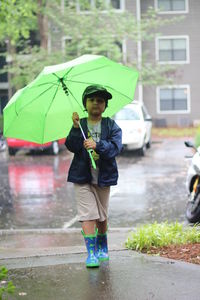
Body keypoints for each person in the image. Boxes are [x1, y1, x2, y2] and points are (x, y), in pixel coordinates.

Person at [65, 84, 122, 268]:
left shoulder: (110, 125)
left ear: (105, 105)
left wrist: (97, 145)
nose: (95, 103)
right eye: (91, 100)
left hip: (104, 176)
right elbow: (72, 146)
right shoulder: (80, 124)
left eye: (100, 100)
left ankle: (102, 244)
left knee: (102, 216)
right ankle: (91, 254)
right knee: (88, 214)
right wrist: (75, 129)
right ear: (85, 103)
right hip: (82, 177)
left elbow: (115, 148)